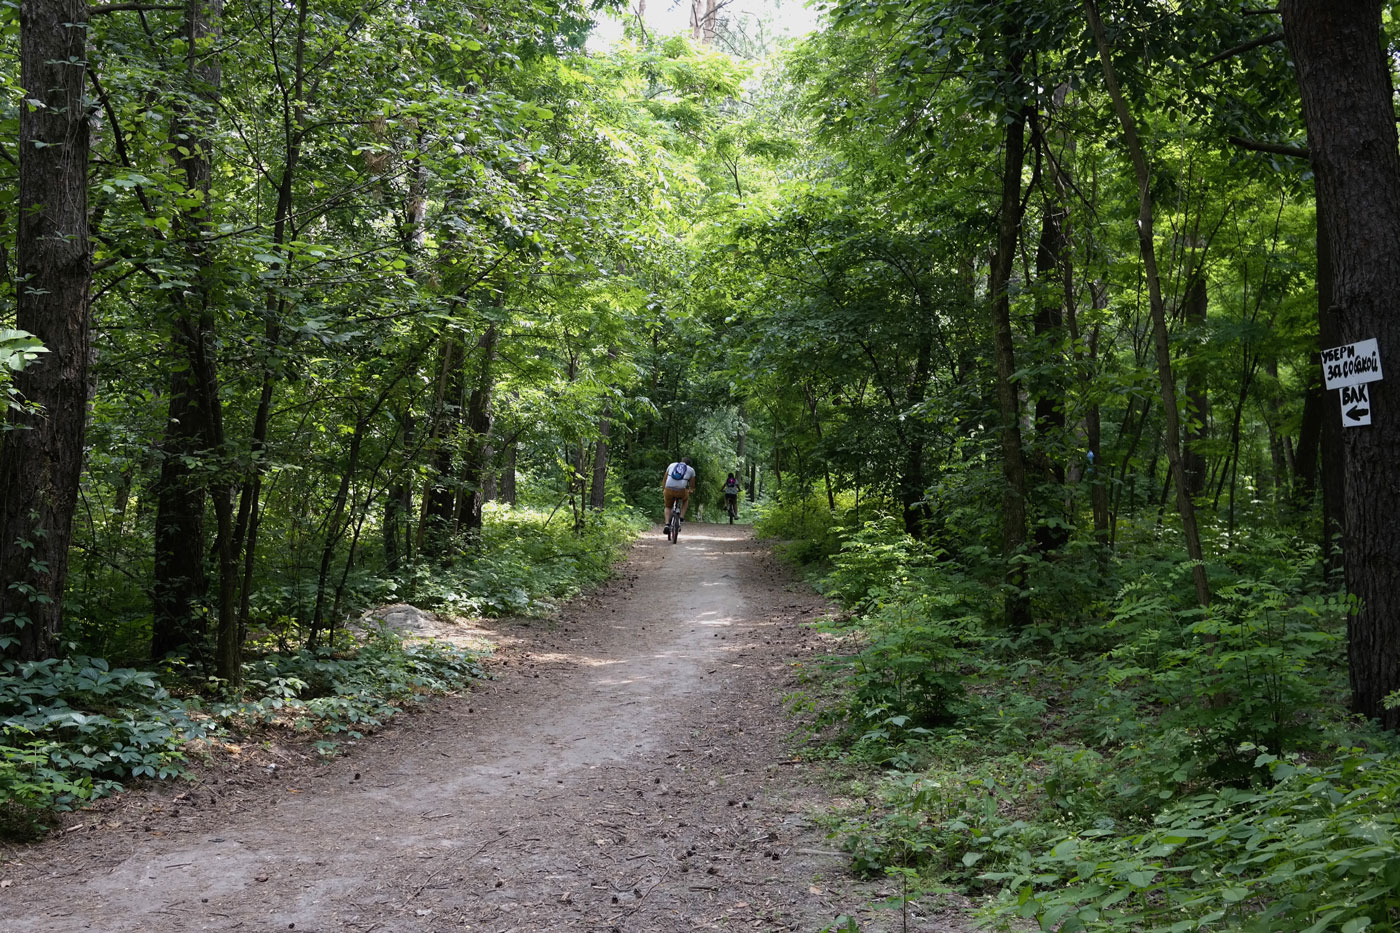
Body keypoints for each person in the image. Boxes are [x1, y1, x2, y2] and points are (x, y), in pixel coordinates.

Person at [662, 456, 696, 533]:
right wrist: (690, 490)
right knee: (685, 499)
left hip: (669, 489)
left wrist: (664, 488)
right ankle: (681, 517)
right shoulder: (691, 470)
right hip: (681, 491)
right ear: (689, 464)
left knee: (668, 506)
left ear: (681, 461)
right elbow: (692, 484)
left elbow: (665, 478)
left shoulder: (672, 465)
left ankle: (667, 524)